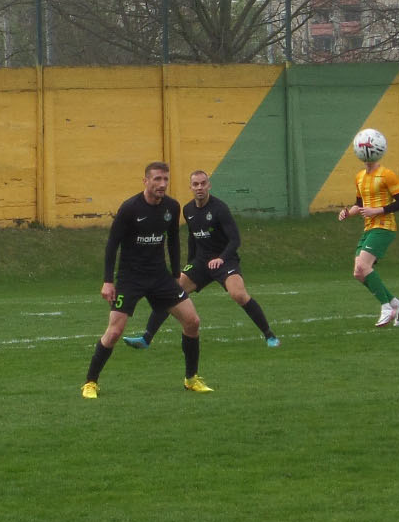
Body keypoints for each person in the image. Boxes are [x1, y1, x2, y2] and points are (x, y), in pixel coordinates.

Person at [82, 161, 211, 397]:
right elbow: (112, 245)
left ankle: (191, 378)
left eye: (165, 179)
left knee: (192, 321)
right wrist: (108, 281)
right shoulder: (130, 208)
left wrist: (175, 276)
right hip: (130, 278)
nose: (162, 184)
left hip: (160, 277)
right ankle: (90, 382)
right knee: (114, 332)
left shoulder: (172, 207)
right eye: (157, 179)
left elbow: (173, 241)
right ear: (145, 181)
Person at [127, 168, 279, 348]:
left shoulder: (219, 208)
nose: (199, 187)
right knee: (171, 292)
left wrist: (221, 259)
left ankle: (269, 336)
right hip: (201, 262)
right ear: (190, 187)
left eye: (203, 183)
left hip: (225, 261)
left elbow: (235, 240)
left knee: (238, 294)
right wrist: (190, 264)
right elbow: (193, 238)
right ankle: (146, 339)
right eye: (195, 184)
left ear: (209, 186)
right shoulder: (188, 209)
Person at [338, 145, 399, 327]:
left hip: (384, 227)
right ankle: (397, 305)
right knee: (358, 273)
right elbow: (359, 204)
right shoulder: (359, 176)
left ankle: (386, 308)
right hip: (369, 228)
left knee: (363, 266)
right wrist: (348, 213)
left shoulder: (387, 175)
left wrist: (377, 210)